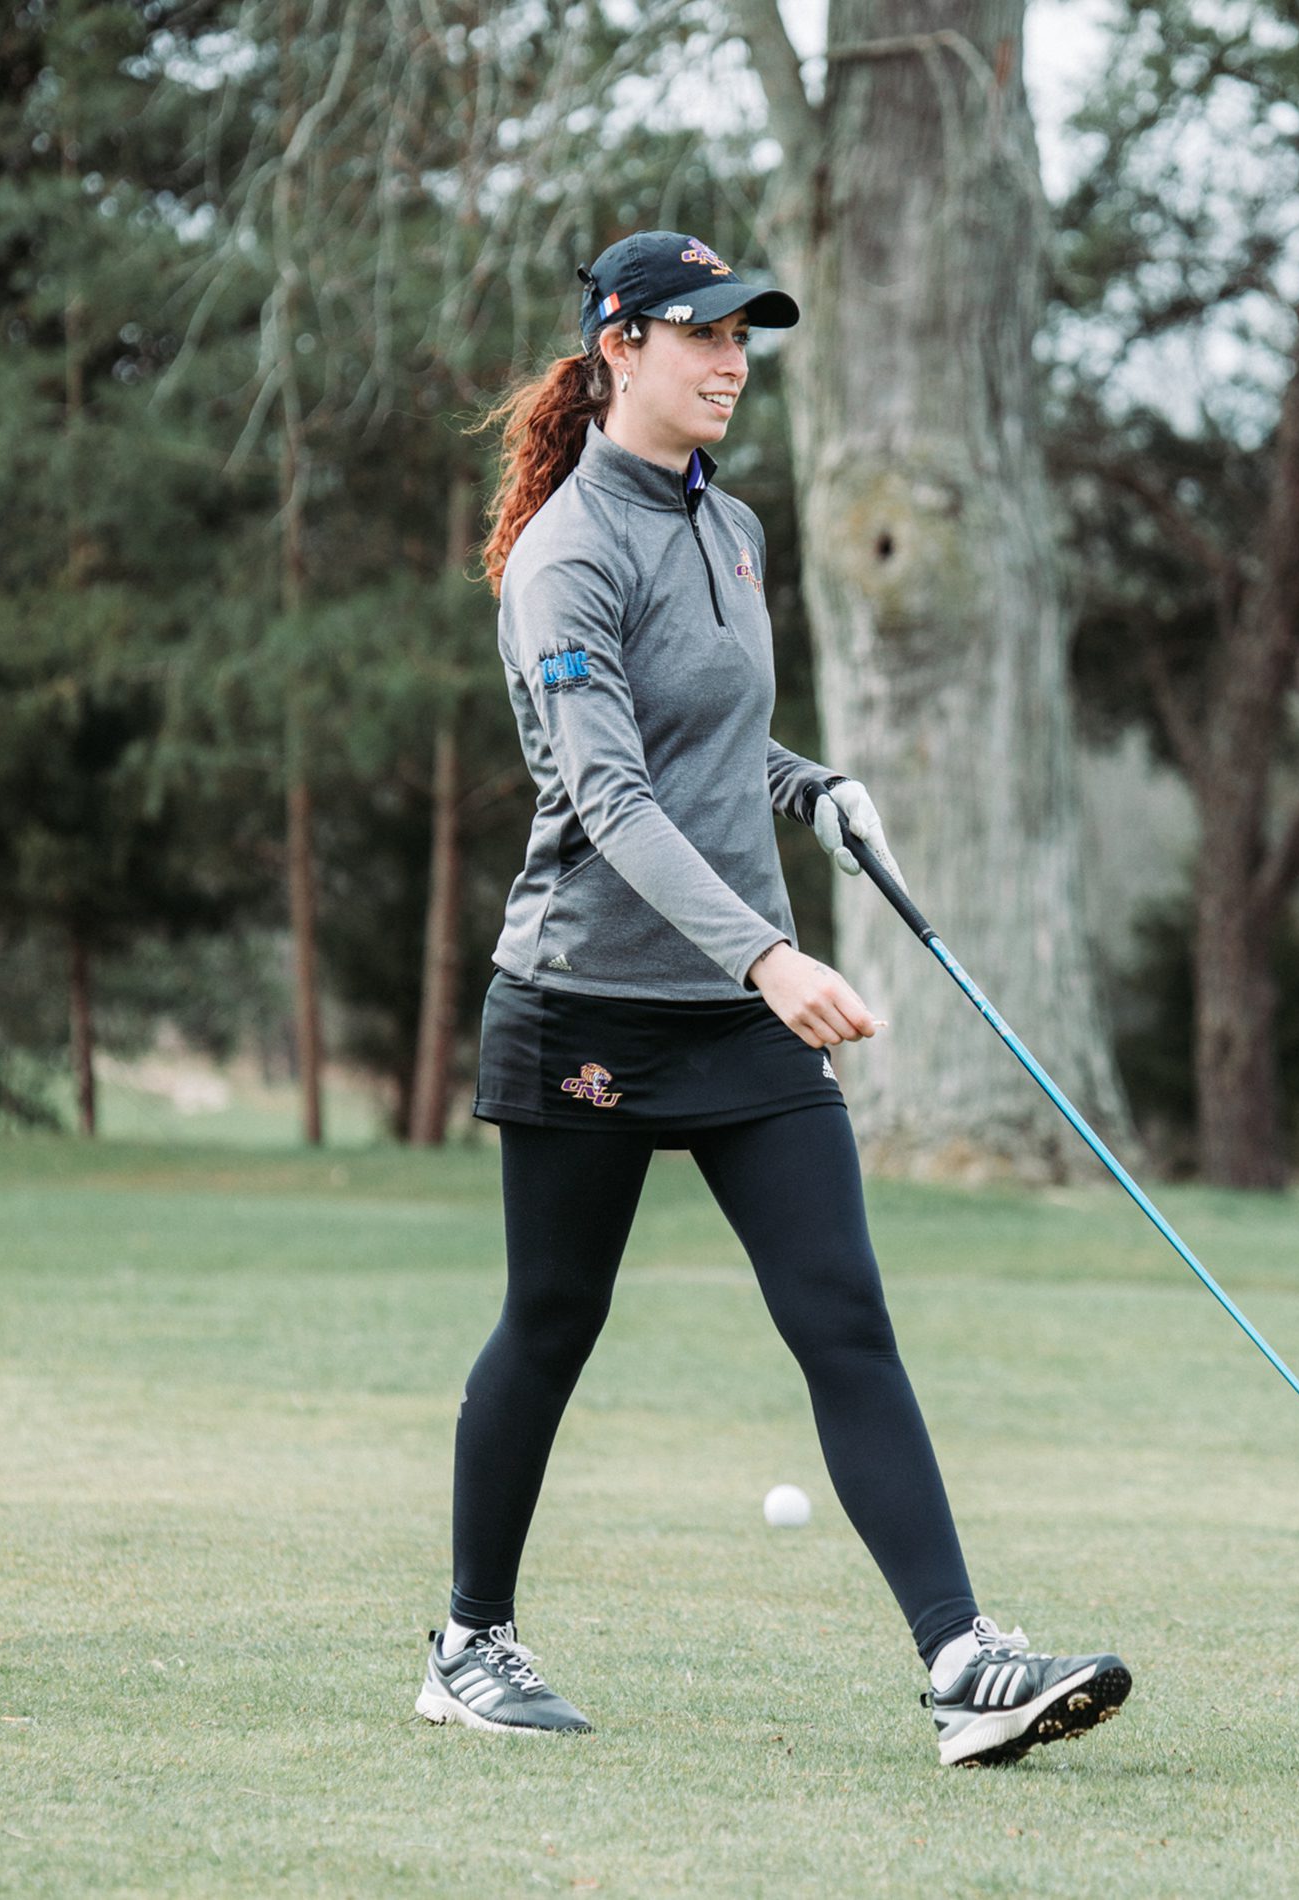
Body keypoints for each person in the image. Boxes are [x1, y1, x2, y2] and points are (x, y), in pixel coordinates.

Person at [415, 229, 1130, 1767]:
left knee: (842, 1315)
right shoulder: (564, 556)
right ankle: (470, 1645)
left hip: (739, 1012)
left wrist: (813, 786)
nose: (733, 362)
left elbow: (712, 742)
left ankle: (962, 1665)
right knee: (554, 1320)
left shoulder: (729, 526)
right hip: (590, 1005)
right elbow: (609, 793)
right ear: (619, 346)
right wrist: (769, 952)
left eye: (745, 337)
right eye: (702, 334)